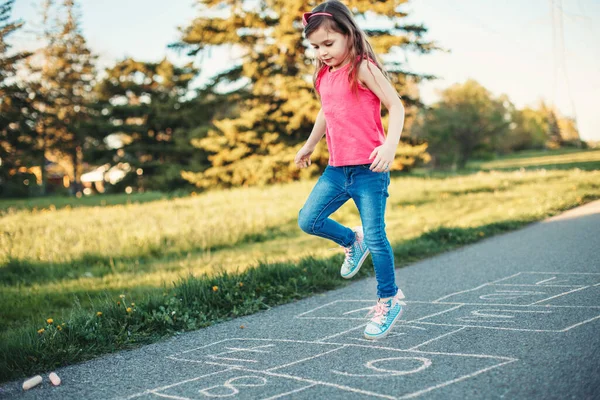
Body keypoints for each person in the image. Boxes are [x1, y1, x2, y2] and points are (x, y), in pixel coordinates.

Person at [295, 0, 406, 340]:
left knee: (378, 236)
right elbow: (326, 112)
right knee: (308, 220)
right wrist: (311, 144)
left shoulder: (363, 67)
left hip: (369, 171)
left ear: (348, 35)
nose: (322, 52)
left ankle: (389, 300)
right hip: (337, 170)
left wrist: (389, 146)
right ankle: (351, 241)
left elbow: (396, 106)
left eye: (328, 44)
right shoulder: (323, 76)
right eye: (315, 46)